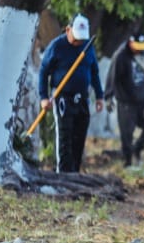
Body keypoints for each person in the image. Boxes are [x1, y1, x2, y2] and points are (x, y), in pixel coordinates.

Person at [38, 14, 105, 173]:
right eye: (76, 38)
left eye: (82, 39)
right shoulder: (56, 46)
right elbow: (43, 72)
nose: (78, 42)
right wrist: (43, 97)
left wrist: (100, 96)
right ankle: (63, 175)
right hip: (62, 99)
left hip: (82, 99)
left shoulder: (88, 47)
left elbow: (94, 72)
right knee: (65, 138)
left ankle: (74, 173)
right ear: (68, 30)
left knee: (79, 137)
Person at [105, 34, 144, 167]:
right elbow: (112, 76)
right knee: (126, 133)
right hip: (126, 101)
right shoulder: (121, 56)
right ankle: (127, 160)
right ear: (130, 43)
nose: (139, 50)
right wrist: (108, 96)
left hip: (142, 100)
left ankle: (137, 149)